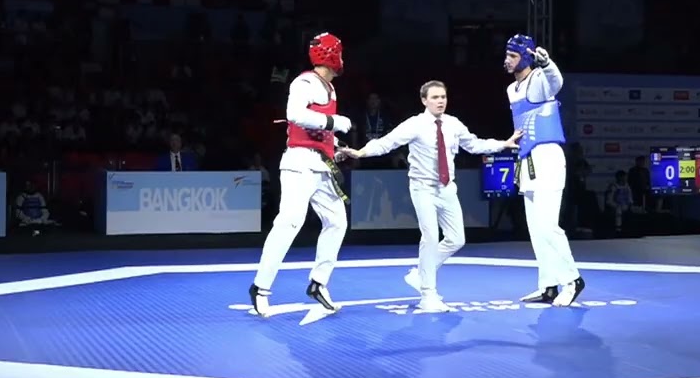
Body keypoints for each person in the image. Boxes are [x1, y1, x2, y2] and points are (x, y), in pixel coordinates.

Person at [344, 80, 521, 312]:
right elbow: (387, 143)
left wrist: (503, 144)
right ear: (424, 100)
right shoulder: (415, 124)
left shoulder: (453, 124)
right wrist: (361, 152)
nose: (440, 101)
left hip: (447, 188)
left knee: (457, 239)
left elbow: (474, 144)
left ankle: (420, 273)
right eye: (435, 97)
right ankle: (428, 294)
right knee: (430, 237)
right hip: (423, 188)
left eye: (443, 97)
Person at [249, 32, 352, 318]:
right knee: (290, 222)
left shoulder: (330, 89)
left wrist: (338, 146)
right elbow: (294, 114)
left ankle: (318, 283)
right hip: (299, 164)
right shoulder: (304, 82)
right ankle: (260, 287)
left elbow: (317, 130)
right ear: (332, 55)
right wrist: (334, 121)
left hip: (322, 165)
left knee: (337, 222)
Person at [504, 34, 586, 307]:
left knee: (549, 226)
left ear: (525, 58)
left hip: (548, 157)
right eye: (507, 55)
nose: (507, 60)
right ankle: (548, 286)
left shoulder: (539, 80)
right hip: (527, 159)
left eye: (513, 56)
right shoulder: (511, 89)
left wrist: (547, 63)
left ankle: (572, 280)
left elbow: (556, 82)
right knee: (536, 228)